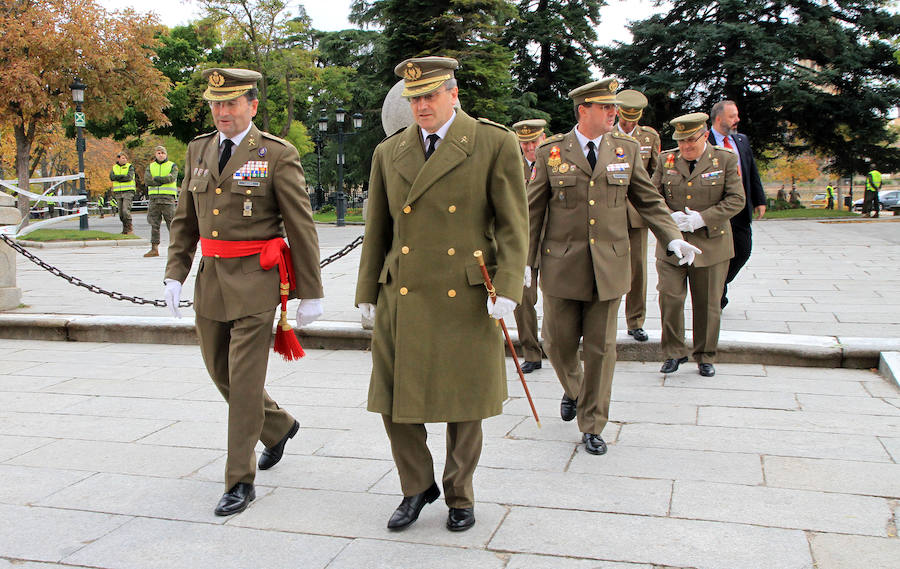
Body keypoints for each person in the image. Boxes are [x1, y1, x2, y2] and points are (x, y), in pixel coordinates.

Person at [356, 56, 527, 532]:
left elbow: (514, 224)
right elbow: (378, 230)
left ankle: (460, 493)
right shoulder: (389, 153)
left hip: (467, 292)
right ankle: (416, 486)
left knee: (464, 401)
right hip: (403, 291)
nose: (421, 106)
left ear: (454, 93)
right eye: (414, 98)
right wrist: (367, 291)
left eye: (430, 95)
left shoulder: (493, 142)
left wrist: (509, 285)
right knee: (391, 400)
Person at [163, 68, 324, 516]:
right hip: (211, 279)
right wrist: (175, 272)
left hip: (257, 280)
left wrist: (310, 291)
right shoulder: (198, 149)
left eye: (231, 103)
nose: (222, 112)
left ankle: (239, 481)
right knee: (221, 373)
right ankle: (279, 427)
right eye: (216, 104)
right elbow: (185, 220)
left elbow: (301, 225)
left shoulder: (276, 153)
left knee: (246, 383)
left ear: (252, 106)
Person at [526, 78, 698, 456]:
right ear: (583, 110)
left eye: (613, 107)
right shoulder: (551, 152)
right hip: (561, 267)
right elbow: (532, 211)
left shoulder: (626, 150)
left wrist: (672, 237)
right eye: (605, 107)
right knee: (556, 341)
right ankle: (575, 390)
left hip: (609, 266)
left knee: (602, 348)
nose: (613, 114)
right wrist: (525, 263)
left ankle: (592, 423)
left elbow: (649, 200)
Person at [652, 113, 745, 378]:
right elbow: (652, 196)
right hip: (673, 242)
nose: (685, 147)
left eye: (691, 141)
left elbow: (736, 199)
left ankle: (705, 355)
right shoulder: (665, 159)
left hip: (711, 243)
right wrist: (670, 217)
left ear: (705, 135)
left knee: (707, 303)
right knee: (669, 297)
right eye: (681, 142)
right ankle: (673, 352)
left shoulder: (725, 159)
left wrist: (702, 219)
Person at [708, 100, 766, 308]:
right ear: (719, 118)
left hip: (741, 208)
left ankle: (719, 284)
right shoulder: (705, 141)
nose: (737, 120)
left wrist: (759, 200)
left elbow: (751, 171)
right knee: (718, 254)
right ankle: (716, 294)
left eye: (737, 115)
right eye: (732, 116)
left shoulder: (741, 140)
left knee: (743, 251)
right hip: (717, 209)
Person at [615, 89, 661, 343]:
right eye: (625, 118)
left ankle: (635, 321)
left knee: (637, 270)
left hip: (635, 213)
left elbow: (656, 172)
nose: (629, 123)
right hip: (609, 210)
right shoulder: (607, 135)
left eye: (633, 119)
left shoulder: (649, 137)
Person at [512, 118, 547, 372]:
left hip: (553, 238)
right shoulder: (513, 166)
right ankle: (531, 352)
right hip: (524, 241)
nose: (529, 147)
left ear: (543, 138)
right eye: (524, 143)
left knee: (560, 298)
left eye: (533, 141)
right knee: (523, 298)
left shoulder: (554, 163)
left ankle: (558, 348)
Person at [143, 146, 179, 257]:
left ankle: (176, 249)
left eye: (163, 153)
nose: (161, 155)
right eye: (158, 153)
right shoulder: (150, 166)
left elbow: (171, 179)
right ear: (155, 154)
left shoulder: (172, 166)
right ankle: (154, 249)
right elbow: (147, 180)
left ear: (166, 154)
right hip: (154, 199)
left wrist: (156, 178)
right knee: (154, 224)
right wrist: (163, 179)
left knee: (172, 224)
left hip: (168, 199)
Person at [109, 152, 136, 234]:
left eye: (125, 158)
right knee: (120, 213)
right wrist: (122, 177)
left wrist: (118, 178)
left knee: (125, 210)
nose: (124, 160)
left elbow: (129, 177)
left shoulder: (129, 167)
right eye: (122, 158)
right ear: (118, 159)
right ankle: (125, 229)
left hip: (128, 191)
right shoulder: (114, 168)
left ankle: (129, 227)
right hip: (118, 192)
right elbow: (112, 177)